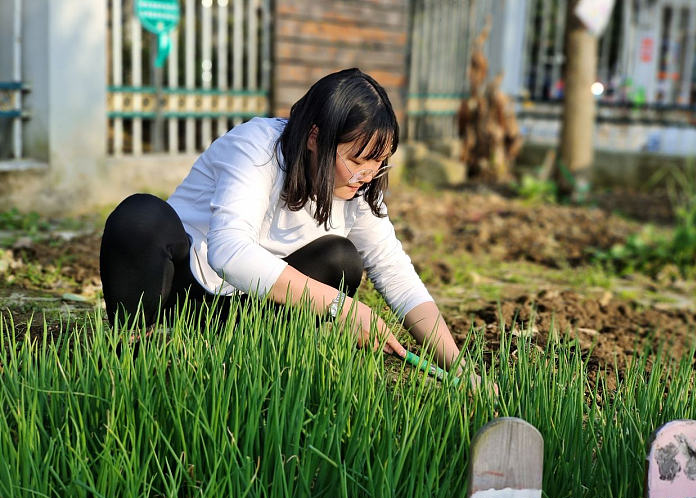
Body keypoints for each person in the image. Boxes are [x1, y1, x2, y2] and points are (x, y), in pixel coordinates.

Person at [100, 68, 482, 389]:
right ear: (316, 138)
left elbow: (397, 276)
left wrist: (463, 372)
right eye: (357, 161)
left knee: (340, 258)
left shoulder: (359, 190)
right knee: (140, 217)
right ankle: (138, 347)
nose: (366, 176)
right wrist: (340, 308)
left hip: (244, 312)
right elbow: (229, 253)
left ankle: (249, 359)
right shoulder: (257, 147)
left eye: (378, 164)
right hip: (183, 287)